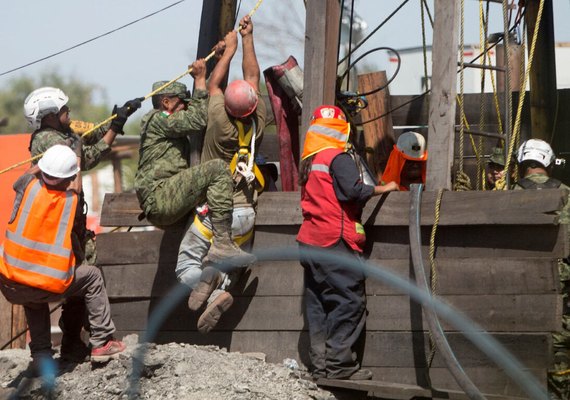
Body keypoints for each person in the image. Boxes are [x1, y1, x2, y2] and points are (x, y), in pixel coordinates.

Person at [23, 86, 141, 363]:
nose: (69, 113)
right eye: (64, 110)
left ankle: (72, 344)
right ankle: (98, 339)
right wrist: (113, 132)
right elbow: (85, 157)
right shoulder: (46, 141)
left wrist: (116, 121)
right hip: (61, 230)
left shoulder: (62, 131)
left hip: (70, 227)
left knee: (79, 284)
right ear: (50, 116)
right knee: (88, 277)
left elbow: (86, 132)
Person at [176, 16, 266, 335]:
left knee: (187, 264)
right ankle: (220, 288)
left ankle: (207, 282)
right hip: (246, 214)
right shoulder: (257, 121)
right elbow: (252, 75)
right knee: (226, 266)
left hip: (216, 216)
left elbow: (213, 84)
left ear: (225, 105)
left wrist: (228, 50)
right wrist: (248, 39)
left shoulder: (218, 122)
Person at [0, 145, 126, 372]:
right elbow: (76, 185)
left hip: (10, 281)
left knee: (32, 292)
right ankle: (102, 342)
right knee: (93, 277)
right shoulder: (70, 200)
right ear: (68, 176)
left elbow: (26, 176)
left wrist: (43, 164)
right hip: (45, 282)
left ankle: (40, 356)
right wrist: (76, 151)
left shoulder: (26, 187)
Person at [296, 105, 399, 381]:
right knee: (348, 301)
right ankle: (340, 367)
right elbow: (352, 191)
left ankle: (320, 367)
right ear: (342, 130)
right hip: (334, 240)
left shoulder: (309, 159)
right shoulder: (337, 158)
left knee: (318, 304)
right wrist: (384, 188)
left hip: (309, 241)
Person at [134, 59, 254, 284]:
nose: (185, 108)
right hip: (161, 196)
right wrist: (200, 80)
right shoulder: (157, 119)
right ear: (166, 102)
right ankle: (221, 243)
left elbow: (198, 111)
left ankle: (209, 284)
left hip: (165, 198)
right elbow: (198, 119)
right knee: (218, 169)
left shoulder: (167, 124)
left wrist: (219, 56)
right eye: (182, 104)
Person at [513, 139, 570, 399]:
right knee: (559, 349)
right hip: (561, 290)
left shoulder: (506, 195)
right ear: (549, 163)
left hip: (516, 293)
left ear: (521, 164)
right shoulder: (567, 195)